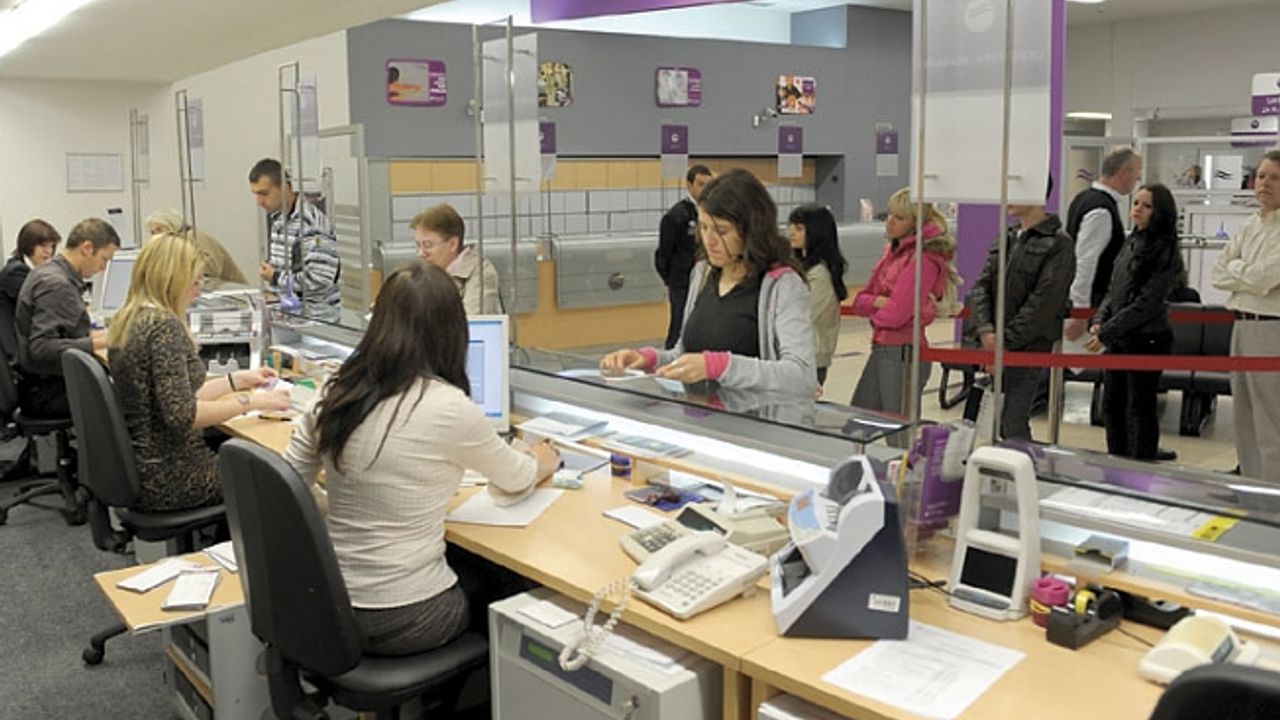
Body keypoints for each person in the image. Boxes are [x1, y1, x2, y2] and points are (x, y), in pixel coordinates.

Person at [283, 262, 561, 656]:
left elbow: (288, 480)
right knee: (506, 582)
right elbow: (516, 478)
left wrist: (344, 511)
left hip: (332, 604)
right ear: (452, 332)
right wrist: (543, 458)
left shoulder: (338, 390)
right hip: (406, 617)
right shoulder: (448, 406)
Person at [108, 234, 289, 512]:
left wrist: (237, 380)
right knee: (283, 477)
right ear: (172, 281)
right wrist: (252, 403)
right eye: (194, 282)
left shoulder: (131, 319)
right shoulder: (164, 327)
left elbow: (177, 395)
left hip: (146, 466)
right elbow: (184, 415)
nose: (198, 291)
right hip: (174, 475)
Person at [602, 169, 816, 396]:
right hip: (700, 413)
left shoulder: (783, 285)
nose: (709, 240)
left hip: (752, 416)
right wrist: (649, 359)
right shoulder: (702, 273)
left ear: (752, 230)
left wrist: (721, 366)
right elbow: (685, 355)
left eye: (721, 231)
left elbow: (801, 377)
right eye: (703, 227)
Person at [967, 180, 1075, 441]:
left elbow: (1043, 303)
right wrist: (986, 331)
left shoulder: (1059, 244)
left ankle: (1025, 465)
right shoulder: (1006, 237)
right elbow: (981, 286)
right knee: (992, 422)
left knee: (1011, 421)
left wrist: (1004, 342)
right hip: (995, 341)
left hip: (1028, 346)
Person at [1084, 184, 1180, 460]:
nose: (1137, 209)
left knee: (1139, 408)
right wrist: (1101, 320)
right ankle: (1117, 461)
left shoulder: (1165, 249)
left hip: (1147, 338)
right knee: (1112, 406)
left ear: (1159, 212)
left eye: (1146, 206)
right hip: (1120, 337)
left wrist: (1107, 332)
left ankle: (1141, 465)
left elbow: (1147, 303)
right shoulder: (1131, 241)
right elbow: (1114, 289)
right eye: (1136, 203)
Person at [848, 189, 958, 416]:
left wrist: (875, 310)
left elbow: (897, 314)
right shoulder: (893, 253)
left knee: (898, 427)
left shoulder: (923, 260)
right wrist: (879, 302)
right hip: (882, 348)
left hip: (904, 353)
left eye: (899, 217)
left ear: (915, 223)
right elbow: (860, 300)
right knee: (860, 419)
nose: (890, 222)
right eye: (889, 214)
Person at [1212, 150, 1280, 484]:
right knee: (1244, 415)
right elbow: (1218, 272)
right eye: (1261, 176)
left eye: (1275, 178)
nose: (1264, 184)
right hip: (1241, 324)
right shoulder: (1251, 225)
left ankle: (1274, 492)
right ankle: (1252, 488)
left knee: (1271, 419)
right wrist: (1246, 272)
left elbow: (1266, 278)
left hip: (1271, 329)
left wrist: (1239, 270)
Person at [14, 218, 119, 419]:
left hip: (41, 386)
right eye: (104, 259)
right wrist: (97, 343)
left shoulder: (51, 272)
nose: (103, 268)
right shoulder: (56, 284)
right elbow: (41, 349)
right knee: (132, 398)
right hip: (47, 393)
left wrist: (100, 338)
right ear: (87, 248)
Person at [1064, 147, 1143, 342]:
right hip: (1093, 304)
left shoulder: (1083, 198)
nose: (1138, 178)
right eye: (1137, 172)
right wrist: (1080, 310)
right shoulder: (1101, 210)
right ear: (1123, 173)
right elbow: (1085, 261)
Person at [249, 158, 341, 320]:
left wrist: (275, 277)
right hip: (290, 315)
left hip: (316, 320)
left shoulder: (311, 223)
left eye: (264, 193)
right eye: (255, 194)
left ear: (285, 187)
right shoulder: (278, 219)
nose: (259, 201)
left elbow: (320, 278)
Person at [787, 205, 847, 387]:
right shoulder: (799, 266)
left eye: (799, 228)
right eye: (791, 226)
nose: (791, 232)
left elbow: (803, 314)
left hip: (810, 357)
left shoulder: (820, 274)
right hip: (795, 354)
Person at [655, 165, 713, 349]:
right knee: (679, 325)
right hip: (682, 282)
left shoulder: (712, 214)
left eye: (709, 185)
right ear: (689, 185)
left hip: (705, 279)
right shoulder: (676, 216)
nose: (705, 189)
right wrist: (671, 280)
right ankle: (671, 357)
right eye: (701, 184)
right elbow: (663, 254)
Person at [412, 204, 501, 315]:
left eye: (428, 245)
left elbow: (473, 321)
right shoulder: (425, 275)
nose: (421, 253)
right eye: (418, 245)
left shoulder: (482, 274)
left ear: (453, 244)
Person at [0, 219, 60, 360]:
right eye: (43, 246)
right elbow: (43, 304)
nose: (48, 251)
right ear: (28, 245)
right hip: (16, 354)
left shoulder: (31, 270)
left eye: (51, 246)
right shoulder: (16, 272)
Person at [146, 209, 248, 287]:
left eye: (159, 229)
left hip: (231, 293)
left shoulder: (193, 237)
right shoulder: (173, 245)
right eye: (152, 232)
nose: (156, 236)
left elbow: (211, 268)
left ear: (172, 225)